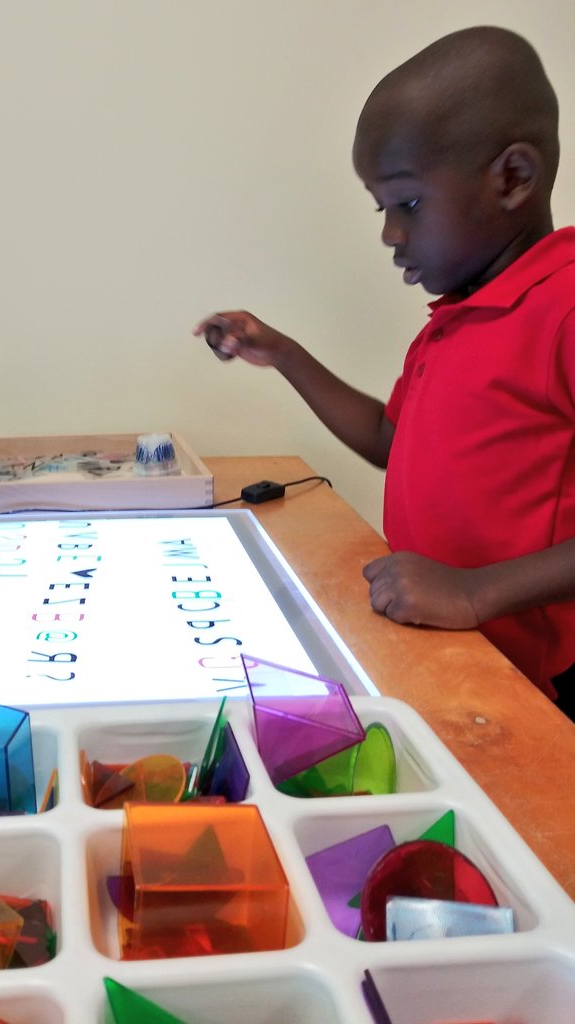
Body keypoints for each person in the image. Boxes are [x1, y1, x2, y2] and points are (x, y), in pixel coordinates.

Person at [194, 26, 575, 717]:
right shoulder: (456, 318)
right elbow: (389, 439)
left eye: (408, 204)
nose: (390, 235)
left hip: (539, 691)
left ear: (513, 179)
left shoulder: (563, 305)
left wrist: (473, 592)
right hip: (456, 664)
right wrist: (283, 354)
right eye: (382, 209)